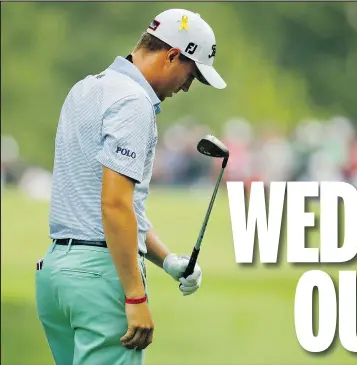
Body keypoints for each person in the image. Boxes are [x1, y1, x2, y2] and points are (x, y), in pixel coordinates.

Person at [35, 8, 226, 365]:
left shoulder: (86, 88)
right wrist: (136, 298)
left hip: (56, 276)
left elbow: (108, 203)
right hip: (100, 278)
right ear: (172, 55)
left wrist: (167, 260)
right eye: (191, 74)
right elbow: (115, 206)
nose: (186, 87)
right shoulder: (134, 102)